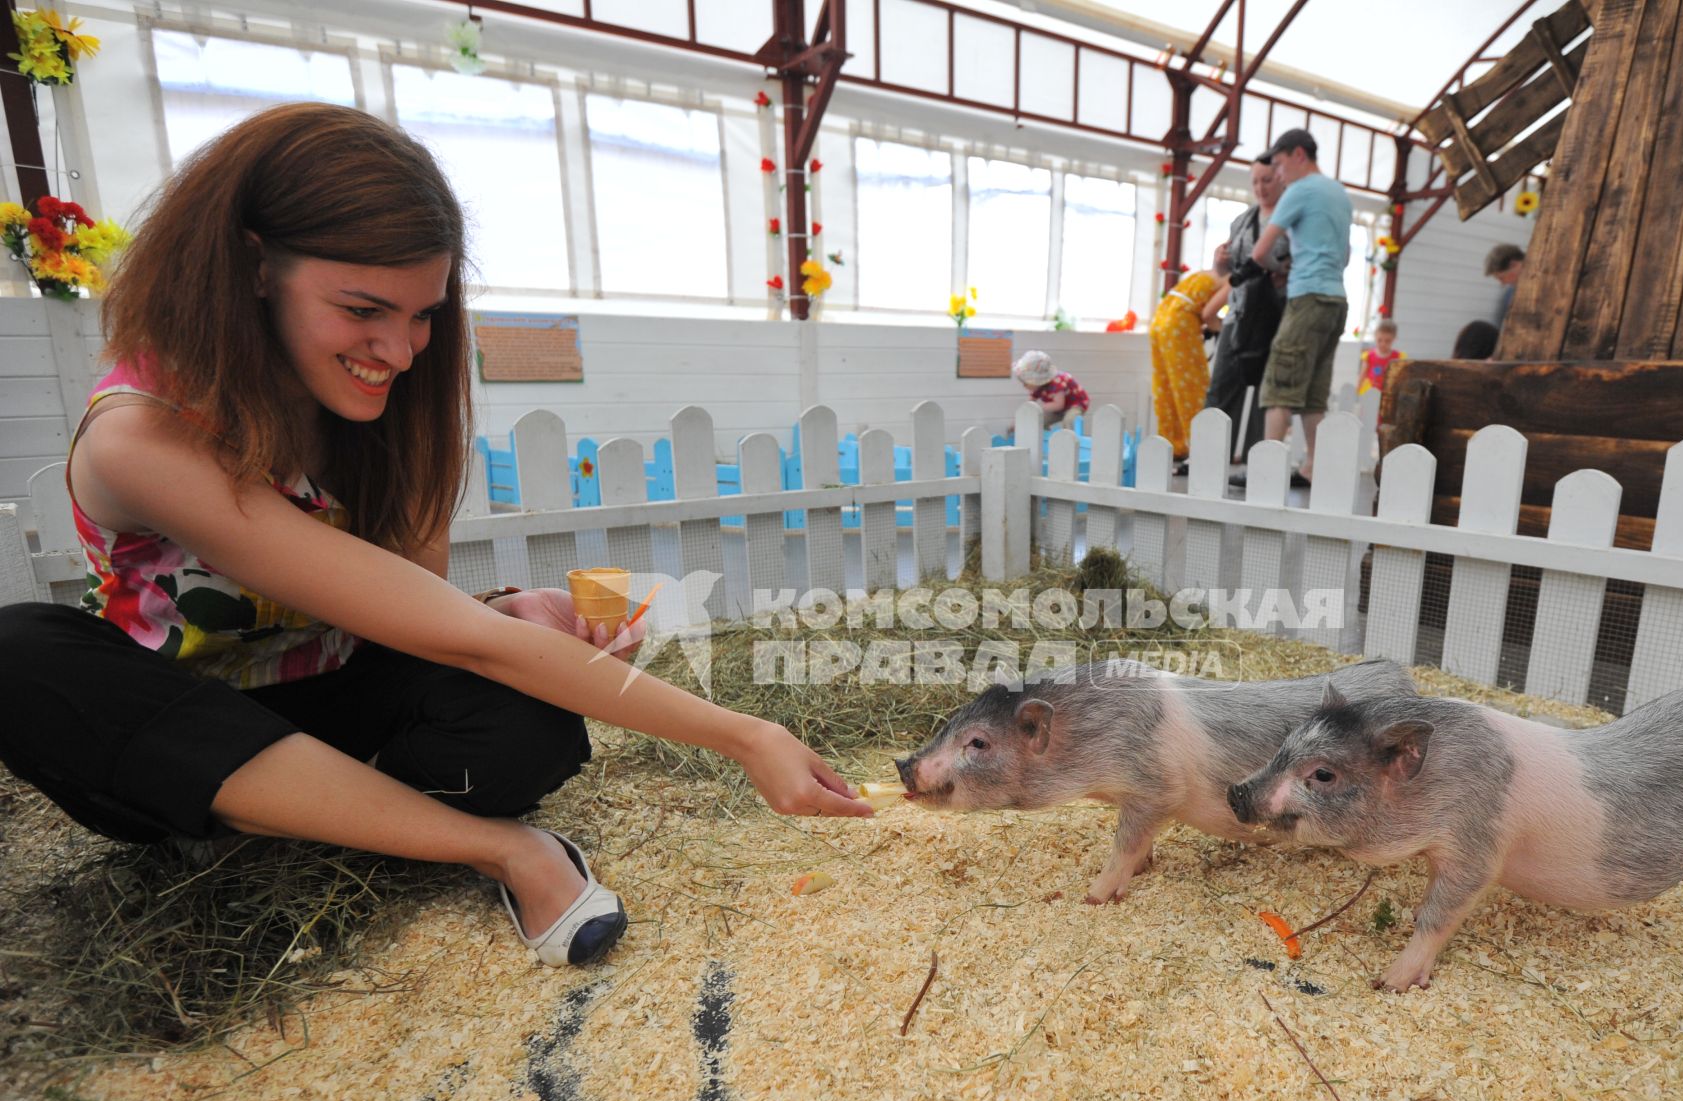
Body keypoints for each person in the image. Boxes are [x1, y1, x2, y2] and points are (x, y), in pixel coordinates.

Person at [0, 104, 871, 972]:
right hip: (179, 725)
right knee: (21, 651)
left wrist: (506, 607)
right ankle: (500, 849)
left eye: (423, 315)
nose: (401, 349)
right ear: (253, 265)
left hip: (335, 693)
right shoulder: (143, 434)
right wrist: (745, 735)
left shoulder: (387, 408)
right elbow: (459, 638)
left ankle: (289, 827)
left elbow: (417, 621)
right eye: (363, 309)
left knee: (527, 724)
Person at [1248, 128, 1353, 484]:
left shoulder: (1300, 191)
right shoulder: (1339, 193)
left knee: (1279, 382)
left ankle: (1266, 470)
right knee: (1313, 393)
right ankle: (1312, 469)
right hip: (1336, 301)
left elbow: (1260, 251)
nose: (1277, 175)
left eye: (1278, 165)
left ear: (1298, 155)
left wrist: (1280, 269)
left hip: (1307, 296)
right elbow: (1346, 254)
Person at [1203, 155, 1288, 465]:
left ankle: (1258, 461)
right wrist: (1219, 262)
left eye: (1266, 180)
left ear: (1281, 179)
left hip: (1277, 316)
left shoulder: (1291, 219)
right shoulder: (1242, 221)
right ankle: (1209, 456)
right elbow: (1227, 273)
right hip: (1239, 314)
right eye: (1255, 181)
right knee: (1222, 386)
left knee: (1266, 394)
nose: (1260, 188)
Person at [1147, 266, 1220, 460]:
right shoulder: (1219, 277)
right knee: (1189, 387)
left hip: (1161, 321)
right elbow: (1209, 315)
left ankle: (1176, 444)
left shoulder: (1213, 276)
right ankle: (1195, 445)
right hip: (1178, 326)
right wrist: (1223, 329)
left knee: (1169, 385)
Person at [1012, 349, 1089, 428]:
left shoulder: (1057, 382)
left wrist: (1039, 408)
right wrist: (1018, 421)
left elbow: (1059, 405)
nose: (1024, 386)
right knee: (1039, 421)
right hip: (1058, 406)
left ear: (1037, 380)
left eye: (1026, 383)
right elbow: (1029, 404)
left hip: (1075, 404)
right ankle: (1043, 438)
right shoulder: (1038, 387)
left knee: (1069, 421)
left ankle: (1070, 438)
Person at [1357, 317, 1401, 395]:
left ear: (1394, 339)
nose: (1383, 344)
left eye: (1387, 341)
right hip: (1369, 391)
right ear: (1375, 337)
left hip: (1388, 393)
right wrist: (1357, 391)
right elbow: (1362, 375)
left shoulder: (1397, 357)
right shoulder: (1369, 356)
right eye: (1379, 340)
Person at [1485, 244, 1525, 326]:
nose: (1502, 284)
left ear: (1514, 265)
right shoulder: (1508, 294)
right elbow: (1497, 325)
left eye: (1502, 278)